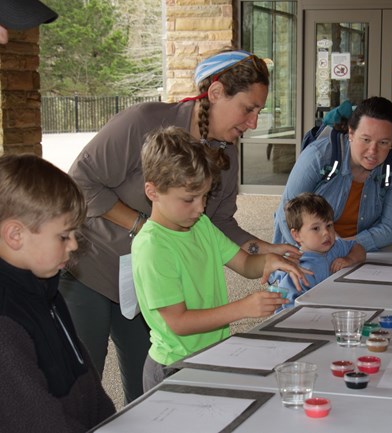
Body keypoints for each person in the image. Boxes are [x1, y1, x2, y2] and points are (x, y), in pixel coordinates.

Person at [61, 48, 300, 404]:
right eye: (248, 108)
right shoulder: (144, 122)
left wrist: (266, 251)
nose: (253, 123)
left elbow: (217, 224)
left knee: (145, 392)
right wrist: (147, 226)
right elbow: (81, 180)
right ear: (216, 92)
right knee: (81, 388)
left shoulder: (225, 156)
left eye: (259, 112)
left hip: (156, 286)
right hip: (94, 267)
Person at [131, 127, 309, 392]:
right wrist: (243, 308)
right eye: (189, 199)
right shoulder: (153, 246)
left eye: (204, 196)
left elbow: (246, 264)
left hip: (210, 355)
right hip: (174, 366)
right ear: (153, 191)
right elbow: (179, 322)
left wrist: (268, 260)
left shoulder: (201, 225)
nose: (200, 208)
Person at [0, 154, 115, 431]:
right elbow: (35, 420)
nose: (74, 245)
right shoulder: (6, 322)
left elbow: (84, 372)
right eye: (63, 236)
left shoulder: (45, 289)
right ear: (15, 235)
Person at [273, 96, 392, 252]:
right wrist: (323, 253)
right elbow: (285, 215)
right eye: (366, 139)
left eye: (383, 142)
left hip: (359, 255)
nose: (373, 151)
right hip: (305, 254)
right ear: (350, 133)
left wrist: (343, 248)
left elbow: (391, 228)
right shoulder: (318, 156)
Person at [268, 192, 366, 311]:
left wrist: (350, 259)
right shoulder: (298, 267)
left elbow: (359, 249)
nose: (326, 232)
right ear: (297, 235)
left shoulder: (336, 247)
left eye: (329, 225)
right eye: (316, 228)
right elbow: (287, 306)